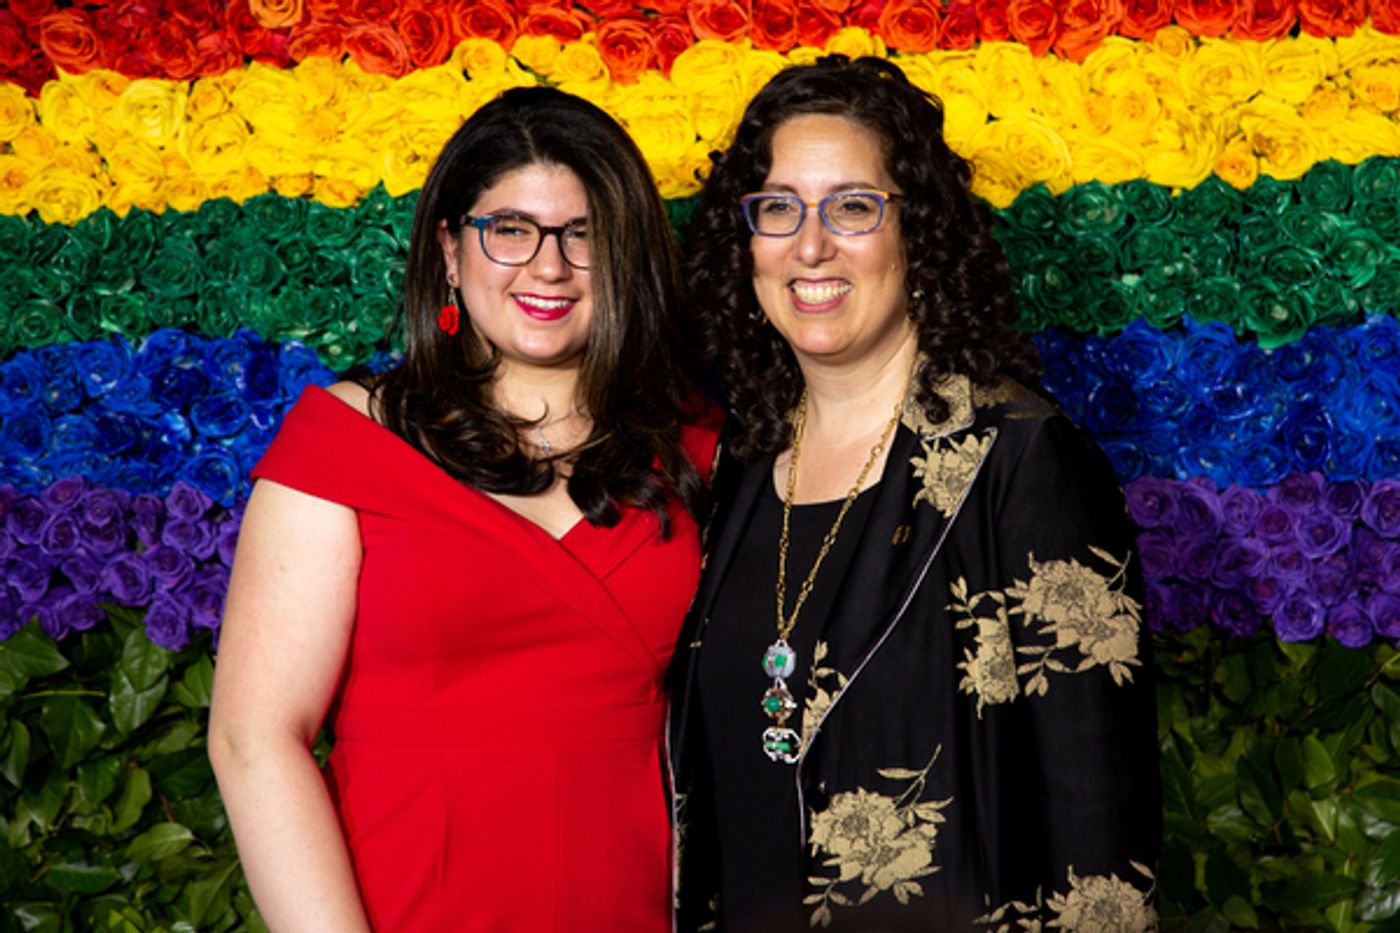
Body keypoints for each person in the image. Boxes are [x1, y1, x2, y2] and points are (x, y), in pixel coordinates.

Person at [667, 56, 1161, 932]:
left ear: (918, 236)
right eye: (778, 208)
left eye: (852, 207)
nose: (809, 245)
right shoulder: (739, 463)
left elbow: (1102, 843)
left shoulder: (1021, 458)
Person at [208, 86, 714, 932]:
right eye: (509, 229)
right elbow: (254, 738)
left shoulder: (700, 451)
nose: (547, 266)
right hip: (410, 900)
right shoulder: (347, 442)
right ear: (450, 248)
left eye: (583, 234)